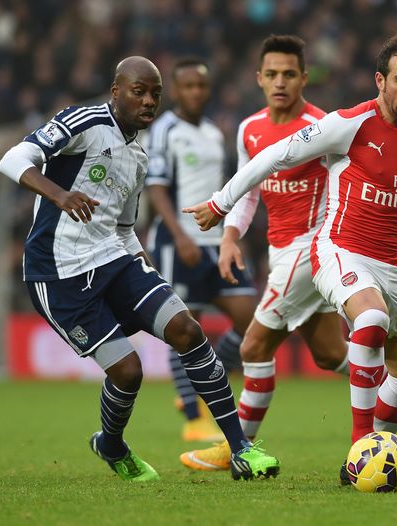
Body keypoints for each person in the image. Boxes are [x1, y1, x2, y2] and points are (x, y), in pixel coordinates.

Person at [184, 28, 397, 483]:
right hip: (337, 249)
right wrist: (221, 204)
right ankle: (358, 447)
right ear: (379, 80)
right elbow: (276, 155)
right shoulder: (350, 122)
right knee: (369, 321)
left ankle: (373, 453)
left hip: (387, 259)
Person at [0, 56, 279, 482]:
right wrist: (60, 195)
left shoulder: (139, 155)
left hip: (113, 258)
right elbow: (14, 157)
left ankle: (241, 448)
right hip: (58, 274)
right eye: (138, 91)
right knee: (128, 372)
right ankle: (110, 444)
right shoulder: (85, 120)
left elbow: (124, 228)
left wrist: (142, 261)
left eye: (154, 94)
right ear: (116, 91)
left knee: (187, 329)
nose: (148, 100)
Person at [145, 57, 256, 443]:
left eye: (201, 86)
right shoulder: (164, 130)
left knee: (251, 321)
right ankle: (193, 415)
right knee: (184, 329)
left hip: (216, 242)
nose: (195, 92)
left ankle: (204, 384)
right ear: (176, 91)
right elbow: (155, 186)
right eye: (188, 86)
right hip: (181, 242)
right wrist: (179, 235)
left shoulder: (212, 132)